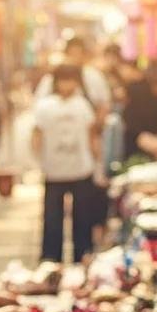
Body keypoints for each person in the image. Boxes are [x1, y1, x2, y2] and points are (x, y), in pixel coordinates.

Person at [33, 64, 99, 264]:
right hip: (54, 170)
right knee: (52, 219)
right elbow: (37, 135)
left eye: (70, 79)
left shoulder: (83, 105)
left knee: (83, 218)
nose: (66, 84)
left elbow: (92, 135)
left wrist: (97, 162)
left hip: (81, 169)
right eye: (63, 79)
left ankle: (83, 255)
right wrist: (39, 160)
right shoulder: (45, 106)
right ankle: (51, 260)